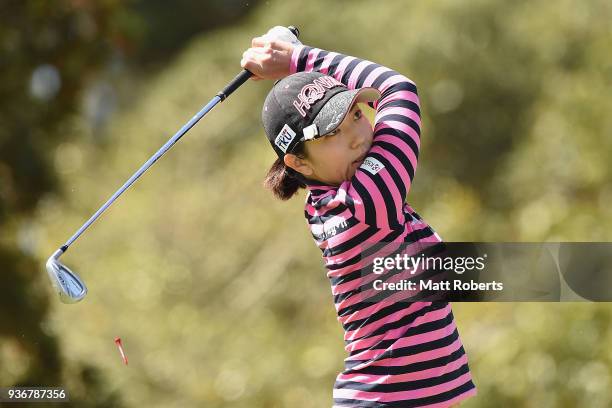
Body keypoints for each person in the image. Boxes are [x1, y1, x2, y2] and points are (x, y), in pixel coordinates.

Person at [241, 34, 477, 408]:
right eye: (331, 133)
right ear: (298, 163)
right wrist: (297, 59)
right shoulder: (365, 200)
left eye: (355, 114)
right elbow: (397, 88)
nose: (356, 137)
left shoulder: (329, 199)